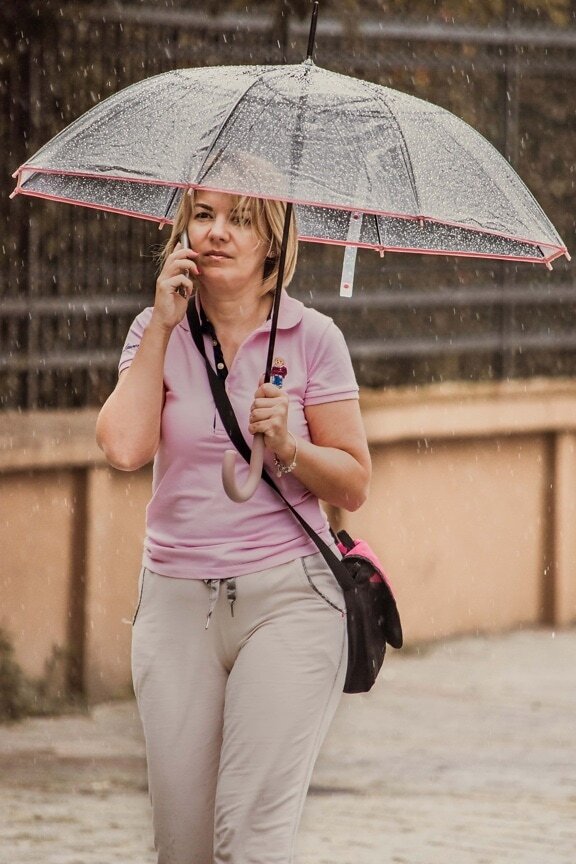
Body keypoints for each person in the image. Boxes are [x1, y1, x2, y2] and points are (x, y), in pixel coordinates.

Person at [96, 188, 371, 864]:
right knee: (182, 846)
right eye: (204, 215)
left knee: (248, 840)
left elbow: (353, 483)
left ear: (272, 241)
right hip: (176, 601)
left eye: (241, 220)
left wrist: (292, 447)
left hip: (289, 600)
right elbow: (124, 447)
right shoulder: (156, 330)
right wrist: (162, 327)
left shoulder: (314, 339)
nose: (217, 232)